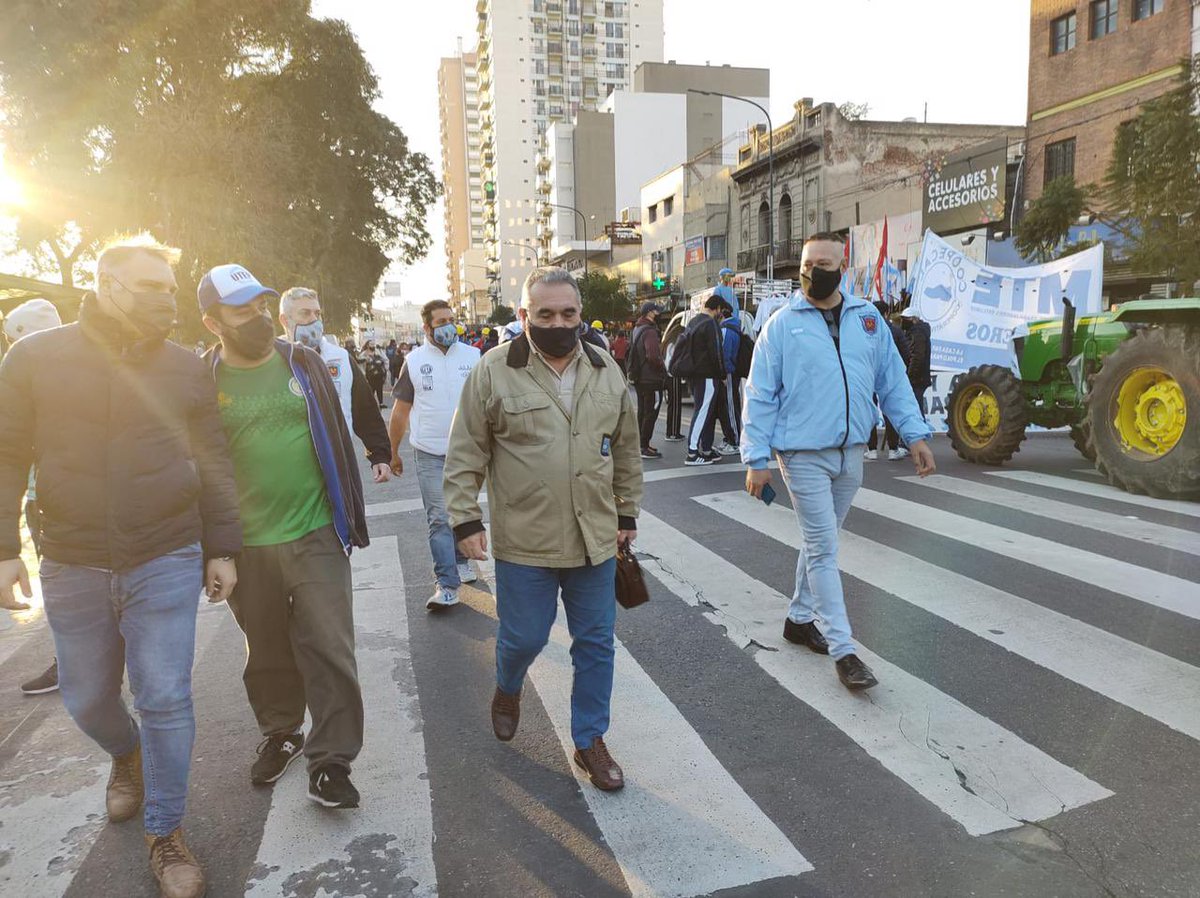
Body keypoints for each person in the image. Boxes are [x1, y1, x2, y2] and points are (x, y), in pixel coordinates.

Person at [0, 234, 242, 898]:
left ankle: (165, 831)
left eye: (170, 290)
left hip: (165, 550)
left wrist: (222, 547)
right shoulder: (34, 358)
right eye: (151, 290)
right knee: (85, 699)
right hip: (71, 558)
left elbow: (214, 460)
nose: (167, 301)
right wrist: (2, 552)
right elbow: (7, 453)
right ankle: (124, 754)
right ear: (107, 286)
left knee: (165, 696)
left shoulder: (186, 367)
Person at [444, 266, 643, 792]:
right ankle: (507, 686)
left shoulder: (605, 368)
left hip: (594, 539)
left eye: (568, 313)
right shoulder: (492, 371)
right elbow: (466, 450)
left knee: (596, 644)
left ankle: (589, 741)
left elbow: (625, 448)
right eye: (546, 314)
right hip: (525, 542)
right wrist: (464, 519)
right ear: (525, 315)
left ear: (581, 315)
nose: (558, 322)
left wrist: (626, 515)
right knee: (523, 638)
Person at [201, 264, 388, 810]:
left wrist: (352, 508)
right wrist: (216, 549)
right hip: (246, 547)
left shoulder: (303, 363)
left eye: (261, 306)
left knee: (330, 648)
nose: (257, 318)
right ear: (213, 322)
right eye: (242, 311)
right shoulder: (202, 380)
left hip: (315, 533)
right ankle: (282, 731)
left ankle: (331, 762)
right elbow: (198, 464)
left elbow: (340, 424)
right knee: (267, 650)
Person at [742, 232, 935, 691]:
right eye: (807, 264)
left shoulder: (868, 319)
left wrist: (915, 435)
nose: (813, 271)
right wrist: (756, 458)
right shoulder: (782, 325)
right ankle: (844, 649)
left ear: (842, 268)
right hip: (802, 454)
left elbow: (892, 381)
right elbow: (760, 395)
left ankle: (798, 618)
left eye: (824, 264)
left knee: (820, 542)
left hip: (851, 453)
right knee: (825, 546)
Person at [387, 300, 481, 610]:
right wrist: (393, 453)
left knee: (462, 511)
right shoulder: (413, 362)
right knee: (439, 517)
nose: (449, 326)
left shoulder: (474, 356)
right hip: (428, 452)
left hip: (467, 453)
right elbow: (400, 412)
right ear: (427, 327)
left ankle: (460, 558)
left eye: (452, 320)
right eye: (441, 321)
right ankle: (446, 582)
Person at [2, 299, 66, 694]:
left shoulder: (25, 378)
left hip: (44, 500)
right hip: (49, 498)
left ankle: (70, 662)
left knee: (61, 590)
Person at [278, 287, 393, 468]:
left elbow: (365, 410)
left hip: (339, 460)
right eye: (305, 313)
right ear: (285, 320)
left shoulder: (341, 358)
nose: (314, 320)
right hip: (290, 466)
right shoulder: (272, 360)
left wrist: (379, 455)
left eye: (317, 313)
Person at [675, 296, 727, 466]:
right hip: (707, 374)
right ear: (717, 308)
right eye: (721, 310)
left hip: (694, 373)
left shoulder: (694, 321)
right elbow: (717, 352)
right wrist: (722, 374)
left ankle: (704, 448)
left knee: (703, 411)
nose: (721, 313)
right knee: (702, 412)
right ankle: (692, 452)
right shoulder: (711, 324)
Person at [866, 301, 912, 461]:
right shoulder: (895, 331)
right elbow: (906, 353)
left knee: (869, 411)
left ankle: (871, 449)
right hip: (889, 375)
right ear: (886, 313)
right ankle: (893, 448)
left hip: (868, 375)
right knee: (890, 411)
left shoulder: (863, 329)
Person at [626, 302, 667, 459]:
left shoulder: (637, 328)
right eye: (657, 311)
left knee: (643, 411)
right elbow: (653, 355)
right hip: (651, 378)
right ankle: (644, 446)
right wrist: (663, 371)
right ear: (650, 313)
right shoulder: (650, 331)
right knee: (651, 412)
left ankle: (640, 444)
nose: (658, 314)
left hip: (639, 378)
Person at [714, 300, 744, 456]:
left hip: (729, 373)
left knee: (731, 407)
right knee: (731, 405)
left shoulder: (727, 330)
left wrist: (724, 373)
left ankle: (735, 441)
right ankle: (730, 438)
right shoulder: (735, 326)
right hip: (732, 372)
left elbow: (725, 354)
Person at [901, 305, 932, 417]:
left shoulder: (917, 333)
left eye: (906, 319)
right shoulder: (916, 331)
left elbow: (917, 356)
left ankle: (920, 433)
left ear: (914, 319)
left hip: (917, 379)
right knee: (915, 407)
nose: (903, 321)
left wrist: (910, 377)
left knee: (915, 409)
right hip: (918, 378)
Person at [660, 311, 686, 442]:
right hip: (673, 375)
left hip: (669, 375)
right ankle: (673, 432)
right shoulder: (674, 344)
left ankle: (672, 431)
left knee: (673, 404)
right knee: (675, 405)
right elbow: (673, 360)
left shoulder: (667, 342)